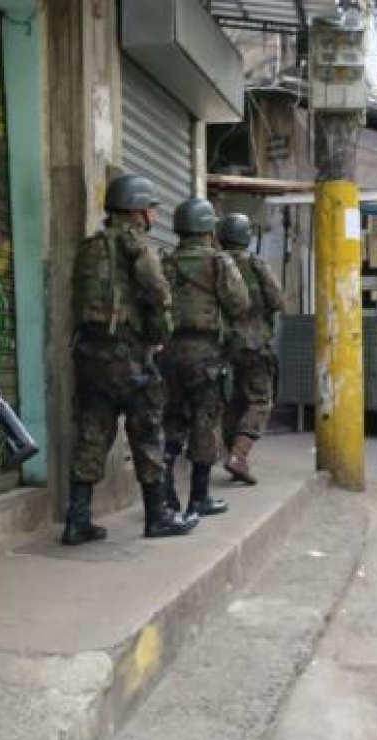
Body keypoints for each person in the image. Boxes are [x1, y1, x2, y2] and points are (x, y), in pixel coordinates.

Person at [62, 174, 197, 545]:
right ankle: (158, 515)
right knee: (146, 432)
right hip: (127, 355)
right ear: (138, 209)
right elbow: (157, 294)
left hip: (89, 354)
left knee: (92, 433)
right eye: (151, 207)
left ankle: (77, 520)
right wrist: (160, 335)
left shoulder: (89, 246)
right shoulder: (136, 245)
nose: (154, 214)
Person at [160, 198, 251, 518]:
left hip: (168, 353)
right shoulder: (219, 262)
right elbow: (240, 303)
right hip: (206, 354)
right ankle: (198, 498)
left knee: (171, 422)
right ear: (207, 228)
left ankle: (165, 496)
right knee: (204, 423)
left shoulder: (165, 262)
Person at [217, 213, 284, 485]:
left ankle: (233, 453)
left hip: (221, 345)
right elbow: (277, 300)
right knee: (259, 400)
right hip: (254, 345)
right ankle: (238, 456)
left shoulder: (215, 263)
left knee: (232, 402)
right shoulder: (256, 264)